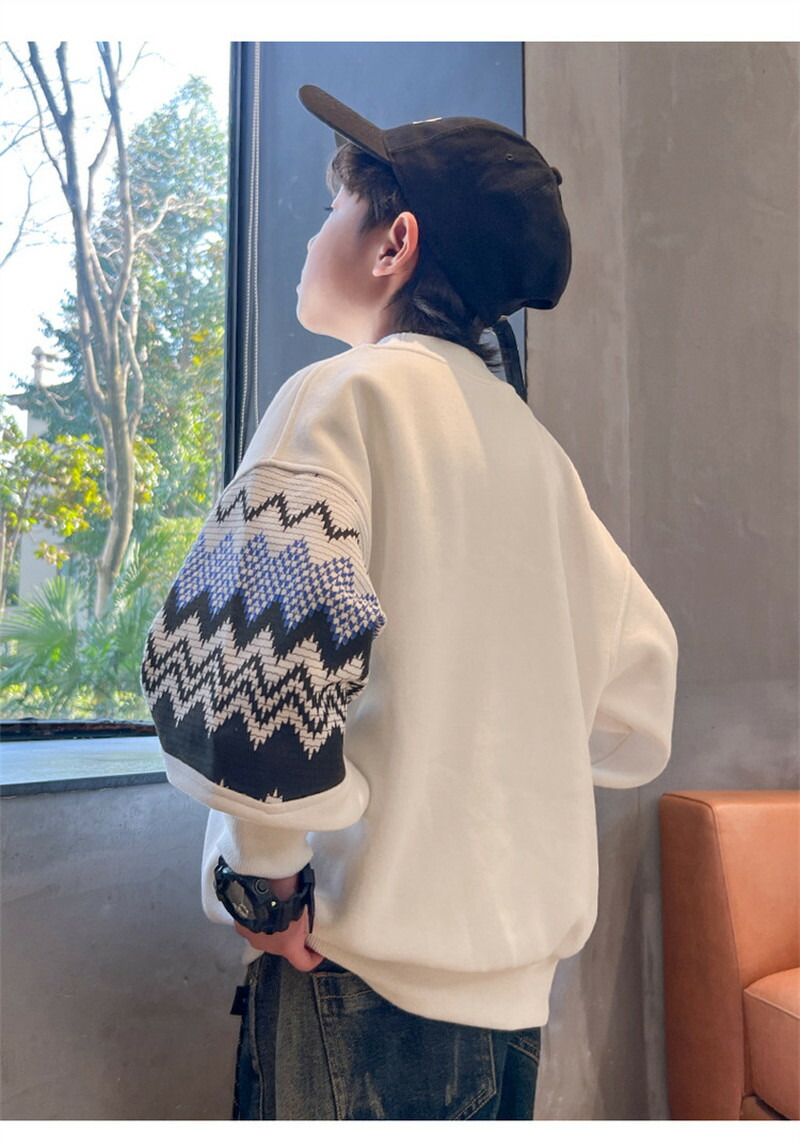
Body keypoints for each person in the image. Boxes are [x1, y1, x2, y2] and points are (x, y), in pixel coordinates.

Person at [141, 84, 679, 1120]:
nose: (312, 236)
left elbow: (249, 690)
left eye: (331, 211)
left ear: (395, 244)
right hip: (511, 1008)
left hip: (354, 985)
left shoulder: (340, 396)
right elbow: (636, 701)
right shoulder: (541, 461)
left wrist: (266, 887)